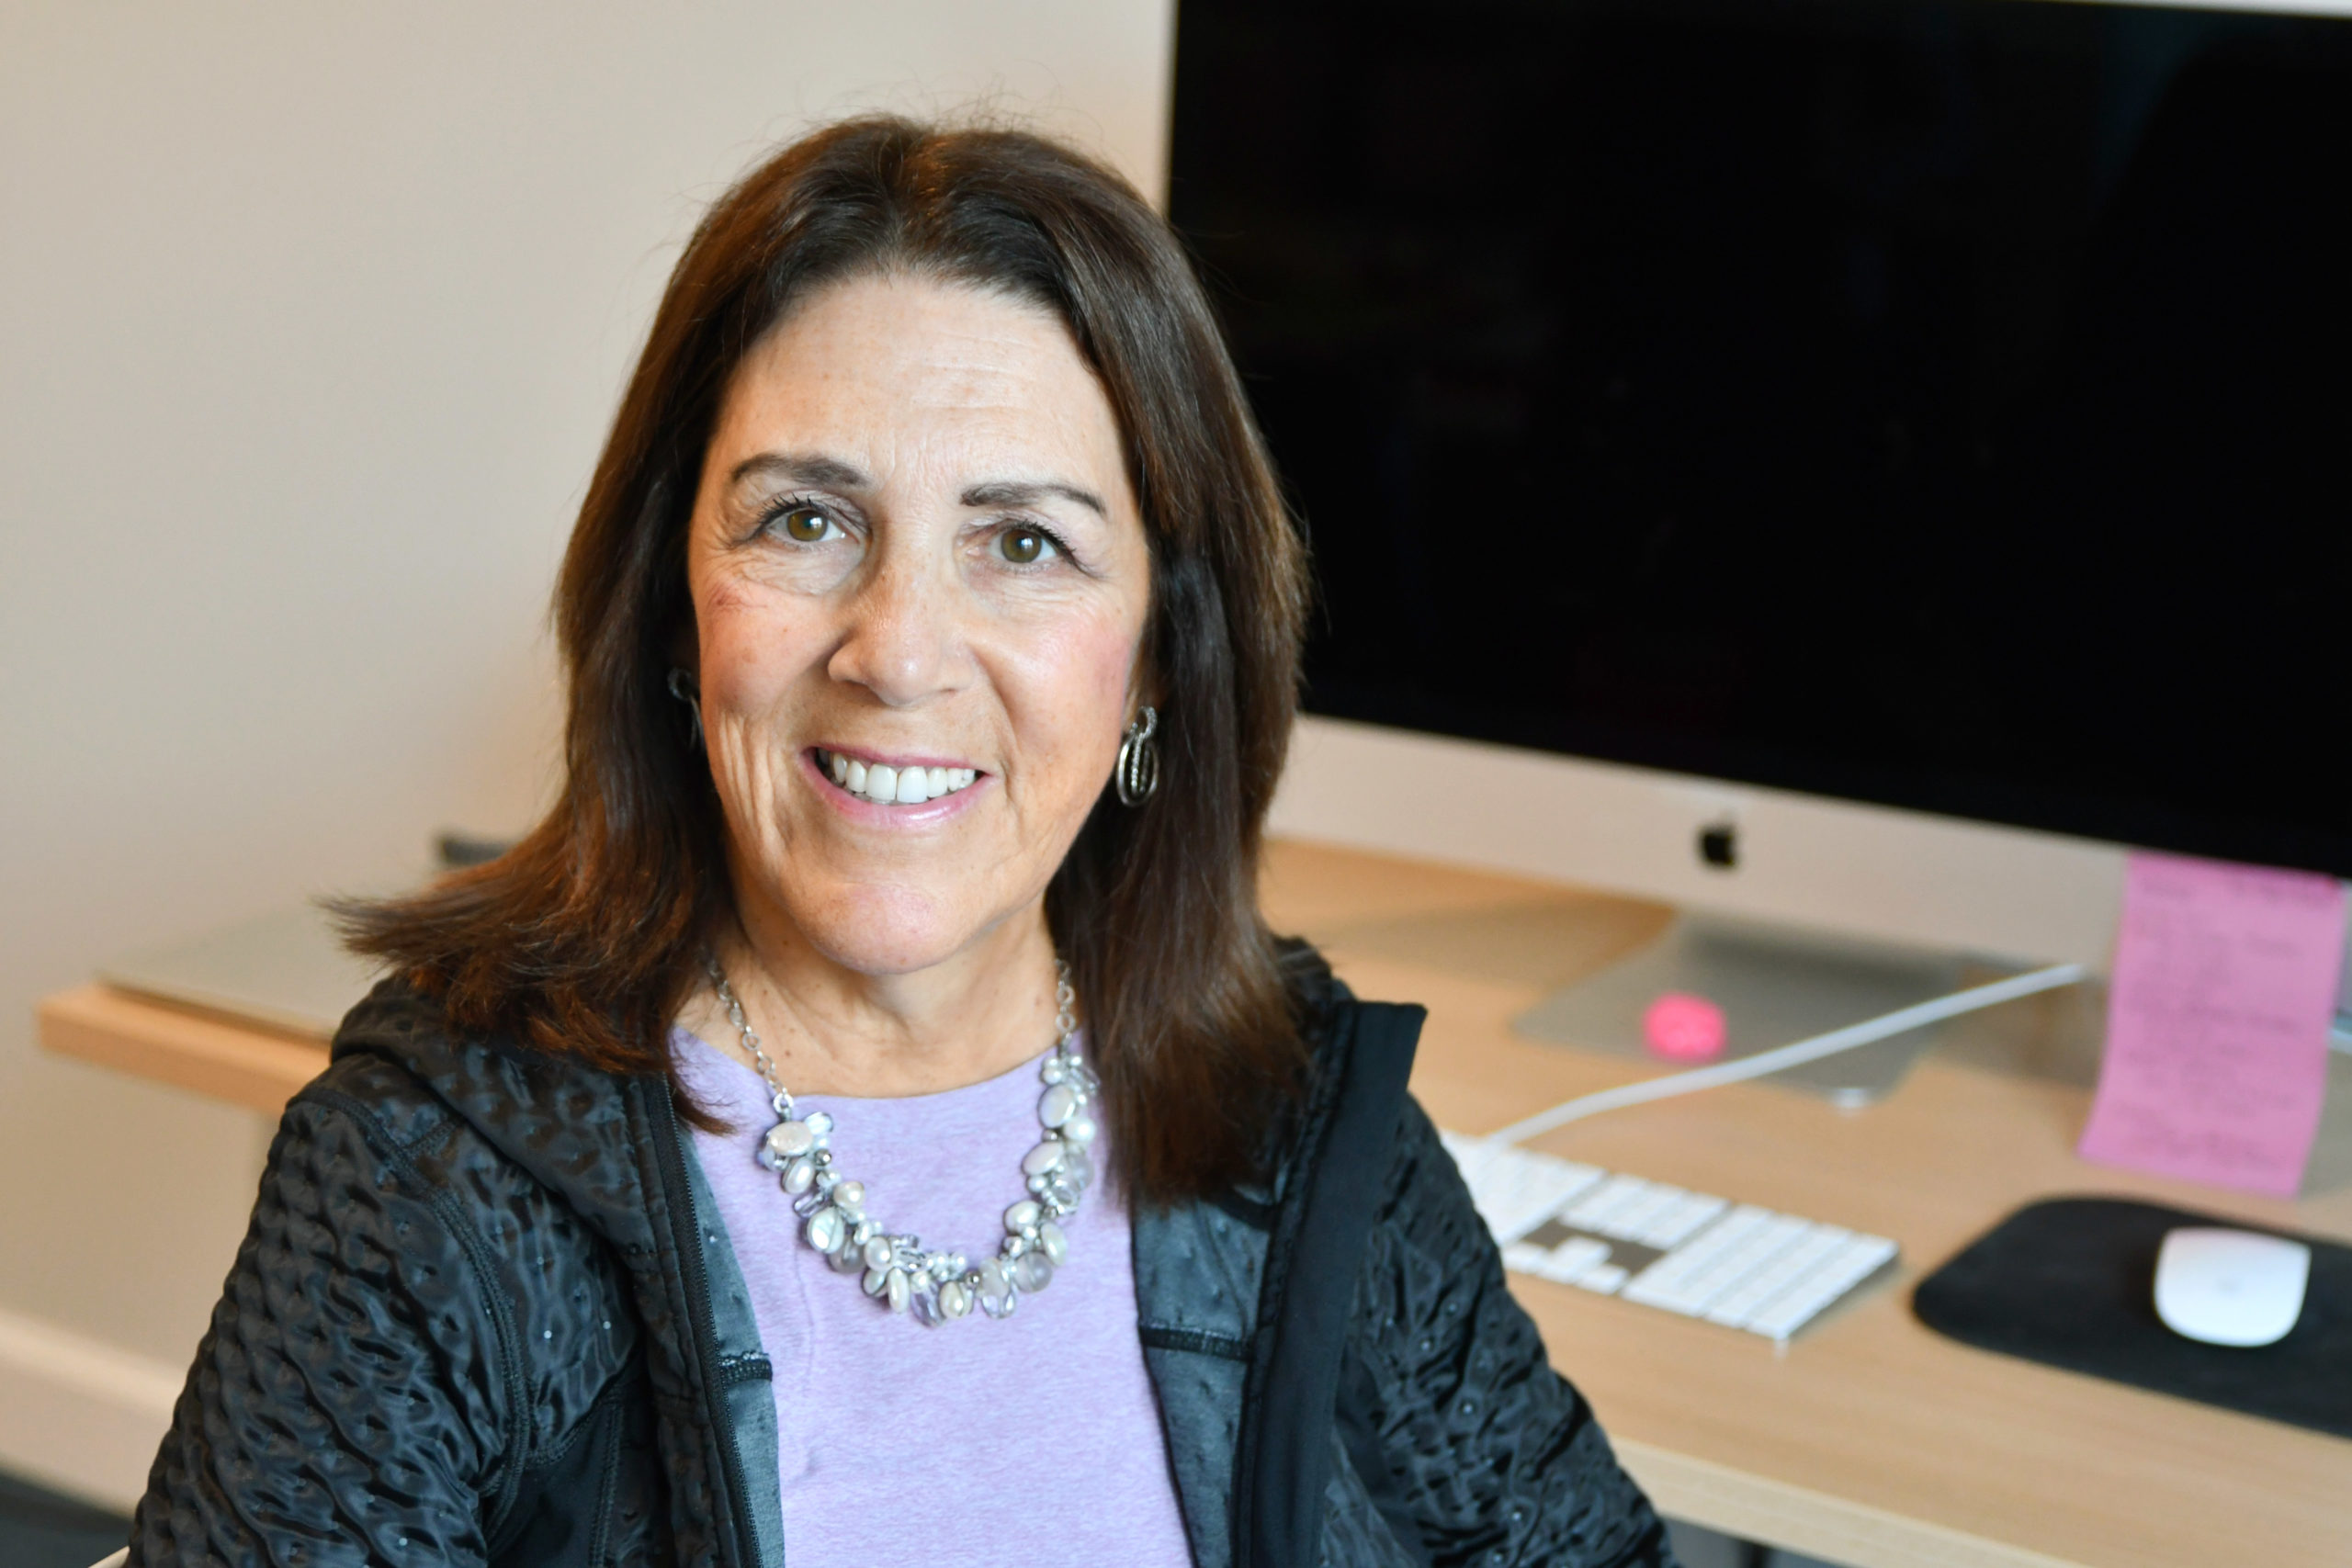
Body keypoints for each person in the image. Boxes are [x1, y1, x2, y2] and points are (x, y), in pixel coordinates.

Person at [126, 117, 1674, 1567]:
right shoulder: (433, 1169)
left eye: (1023, 543)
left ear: (1154, 659)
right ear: (676, 604)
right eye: (806, 519)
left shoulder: (1297, 1099)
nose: (899, 651)